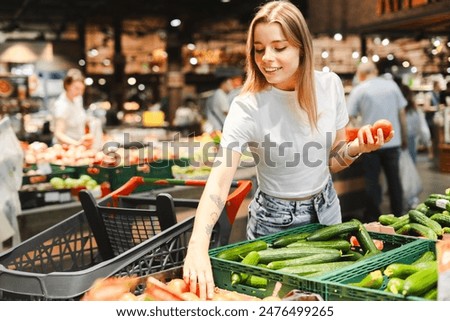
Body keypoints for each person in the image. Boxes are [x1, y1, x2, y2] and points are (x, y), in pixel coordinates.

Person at [183, 0, 393, 300]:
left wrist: (358, 146)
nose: (267, 58)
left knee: (326, 301)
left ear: (301, 48)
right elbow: (218, 181)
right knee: (277, 305)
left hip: (326, 211)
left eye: (279, 47)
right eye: (259, 49)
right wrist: (197, 248)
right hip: (274, 223)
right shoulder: (247, 107)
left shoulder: (329, 86)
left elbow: (333, 160)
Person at [347, 61, 407, 221]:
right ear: (375, 70)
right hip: (393, 142)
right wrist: (404, 137)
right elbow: (402, 114)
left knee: (372, 181)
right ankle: (399, 215)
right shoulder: (392, 86)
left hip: (369, 144)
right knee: (394, 180)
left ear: (360, 74)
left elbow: (348, 117)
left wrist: (354, 132)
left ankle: (373, 218)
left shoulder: (359, 90)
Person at [52, 68, 92, 147]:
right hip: (65, 147)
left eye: (82, 89)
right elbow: (58, 133)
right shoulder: (61, 105)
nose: (80, 92)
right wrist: (77, 144)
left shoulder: (77, 99)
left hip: (78, 145)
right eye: (77, 88)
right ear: (67, 85)